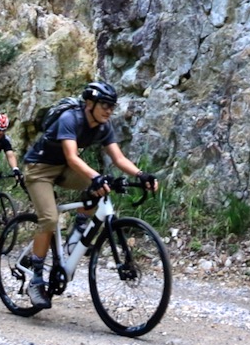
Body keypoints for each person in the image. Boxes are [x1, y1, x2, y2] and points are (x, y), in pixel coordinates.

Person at [21, 81, 157, 309]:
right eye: (104, 104)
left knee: (100, 189)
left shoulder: (103, 127)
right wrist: (96, 176)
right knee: (50, 219)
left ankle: (77, 234)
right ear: (89, 103)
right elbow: (72, 156)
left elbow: (119, 158)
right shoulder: (70, 119)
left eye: (112, 106)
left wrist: (141, 174)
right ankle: (35, 279)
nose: (108, 110)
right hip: (39, 170)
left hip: (64, 168)